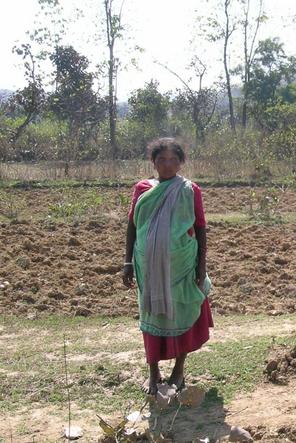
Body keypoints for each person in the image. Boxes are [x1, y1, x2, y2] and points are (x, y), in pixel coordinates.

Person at [122, 137, 213, 395]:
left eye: (174, 159)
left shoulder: (189, 190)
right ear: (153, 161)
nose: (167, 165)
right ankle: (153, 374)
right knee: (151, 313)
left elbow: (200, 227)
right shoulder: (142, 188)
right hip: (148, 266)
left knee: (181, 311)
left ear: (181, 162)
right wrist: (127, 262)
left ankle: (179, 371)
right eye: (162, 159)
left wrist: (201, 266)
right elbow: (132, 225)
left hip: (181, 265)